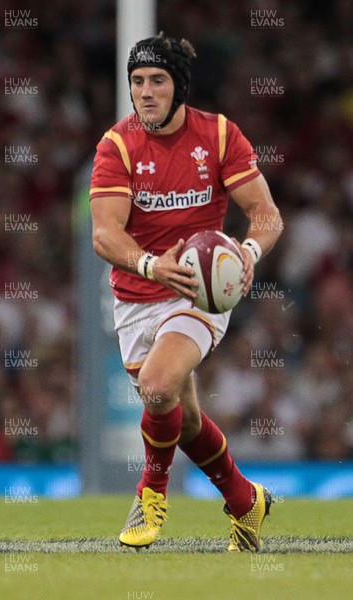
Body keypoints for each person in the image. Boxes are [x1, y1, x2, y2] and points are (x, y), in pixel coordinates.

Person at [90, 32, 283, 552]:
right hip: (136, 295)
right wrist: (151, 264)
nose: (146, 91)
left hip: (198, 294)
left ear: (179, 87)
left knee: (156, 388)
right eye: (137, 82)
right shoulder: (117, 145)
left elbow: (266, 216)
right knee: (186, 419)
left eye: (157, 80)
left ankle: (150, 494)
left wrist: (248, 252)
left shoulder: (218, 137)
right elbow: (105, 234)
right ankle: (246, 501)